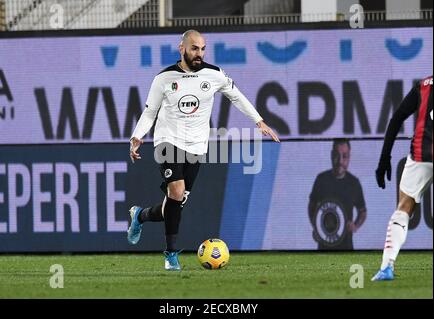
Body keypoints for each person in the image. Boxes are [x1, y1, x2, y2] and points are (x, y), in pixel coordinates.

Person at [127, 30, 280, 271]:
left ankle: (140, 216)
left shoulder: (214, 74)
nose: (199, 53)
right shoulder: (164, 78)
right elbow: (150, 111)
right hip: (168, 141)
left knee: (174, 204)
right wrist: (137, 136)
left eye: (202, 49)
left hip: (197, 146)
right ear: (182, 48)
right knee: (176, 192)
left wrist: (259, 121)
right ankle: (171, 255)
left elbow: (237, 97)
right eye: (194, 48)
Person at [372, 76, 433, 281]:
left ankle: (386, 266)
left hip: (421, 155)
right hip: (421, 154)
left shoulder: (424, 86)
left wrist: (384, 159)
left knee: (404, 208)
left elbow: (397, 118)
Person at [308, 138, 367, 250]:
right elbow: (311, 206)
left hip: (346, 247)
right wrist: (315, 227)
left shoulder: (354, 183)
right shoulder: (321, 180)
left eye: (344, 156)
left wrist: (355, 226)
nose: (340, 161)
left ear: (349, 157)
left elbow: (362, 211)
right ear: (331, 155)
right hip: (324, 247)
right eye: (336, 155)